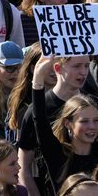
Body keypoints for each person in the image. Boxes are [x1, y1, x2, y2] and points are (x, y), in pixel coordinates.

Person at [17, 54, 90, 195]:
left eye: (86, 65)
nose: (83, 72)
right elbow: (23, 167)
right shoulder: (36, 110)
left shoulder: (93, 106)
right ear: (58, 68)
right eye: (76, 66)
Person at [31, 57, 98, 190]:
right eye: (84, 121)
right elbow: (39, 120)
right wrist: (38, 78)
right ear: (68, 124)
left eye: (96, 121)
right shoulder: (57, 154)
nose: (92, 126)